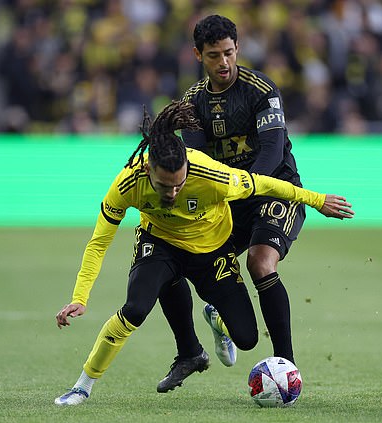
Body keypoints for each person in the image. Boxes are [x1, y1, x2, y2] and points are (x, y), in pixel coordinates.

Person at [54, 100, 354, 406]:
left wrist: (316, 200)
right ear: (148, 169)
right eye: (163, 186)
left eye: (178, 185)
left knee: (247, 338)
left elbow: (265, 184)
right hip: (160, 244)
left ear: (187, 167)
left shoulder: (211, 175)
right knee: (135, 308)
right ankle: (82, 387)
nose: (172, 193)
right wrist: (80, 297)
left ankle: (215, 317)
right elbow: (99, 242)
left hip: (212, 250)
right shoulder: (128, 182)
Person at [156, 14, 336, 392]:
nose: (223, 63)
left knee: (260, 260)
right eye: (213, 56)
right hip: (226, 199)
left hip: (274, 189)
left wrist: (248, 187)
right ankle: (219, 316)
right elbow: (198, 160)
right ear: (197, 55)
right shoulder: (192, 103)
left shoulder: (262, 90)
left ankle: (287, 368)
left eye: (228, 53)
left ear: (237, 49)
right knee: (194, 263)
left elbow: (271, 150)